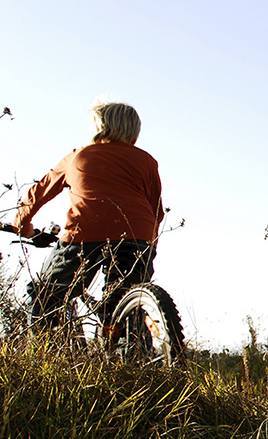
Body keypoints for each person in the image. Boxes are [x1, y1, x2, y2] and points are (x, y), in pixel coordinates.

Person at [13, 101, 164, 327]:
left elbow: (40, 191)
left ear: (98, 127)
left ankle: (53, 354)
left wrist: (21, 224)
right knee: (125, 304)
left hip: (85, 234)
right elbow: (156, 210)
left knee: (46, 296)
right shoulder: (147, 161)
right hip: (137, 237)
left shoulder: (78, 156)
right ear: (134, 131)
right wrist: (148, 245)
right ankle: (132, 351)